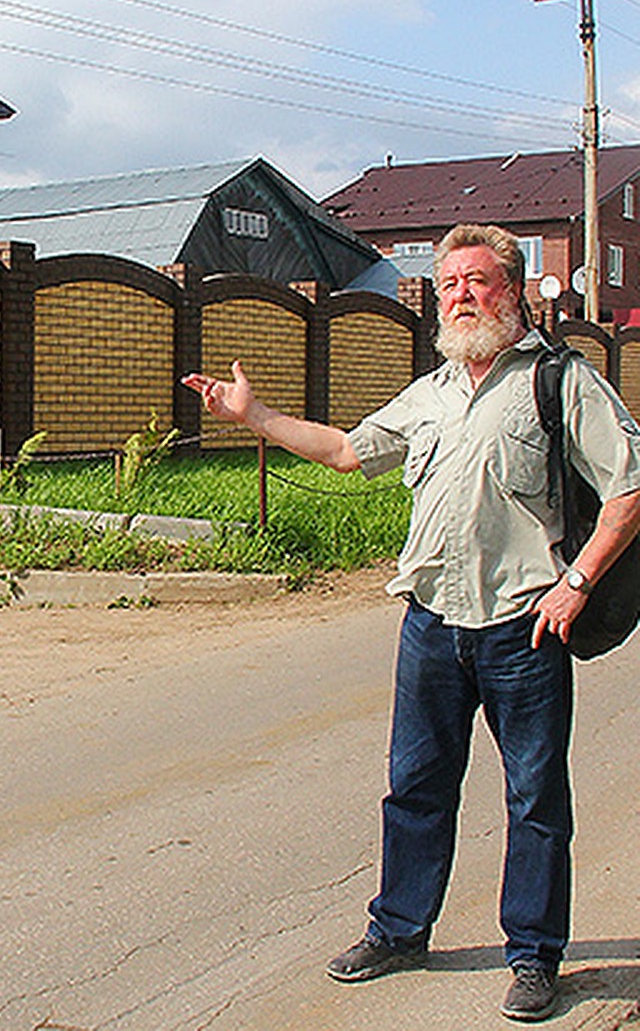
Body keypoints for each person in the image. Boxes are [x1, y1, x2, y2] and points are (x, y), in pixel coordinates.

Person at [182, 223, 640, 1022]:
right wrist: (256, 414)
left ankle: (534, 956)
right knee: (415, 787)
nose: (462, 295)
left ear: (516, 289)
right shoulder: (431, 392)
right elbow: (347, 452)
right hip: (431, 624)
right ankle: (399, 930)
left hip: (523, 627)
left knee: (534, 797)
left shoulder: (562, 382)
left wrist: (574, 585)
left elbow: (629, 490)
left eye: (480, 280)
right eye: (452, 283)